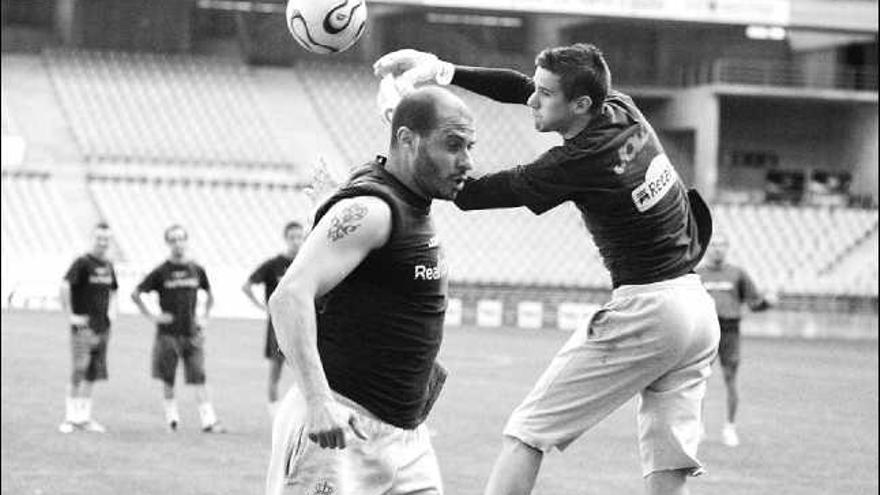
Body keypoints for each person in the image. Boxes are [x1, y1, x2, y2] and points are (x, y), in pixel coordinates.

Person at [374, 44, 718, 495]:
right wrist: (443, 71)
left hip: (651, 309)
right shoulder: (621, 106)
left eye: (545, 94)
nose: (532, 100)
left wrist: (413, 145)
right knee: (668, 464)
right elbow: (519, 86)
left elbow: (469, 192)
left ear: (580, 105)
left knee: (527, 432)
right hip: (697, 311)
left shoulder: (577, 162)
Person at [264, 86, 475, 495]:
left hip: (407, 439)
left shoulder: (403, 199)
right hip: (340, 430)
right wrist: (318, 401)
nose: (466, 161)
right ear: (407, 140)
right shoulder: (375, 211)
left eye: (469, 145)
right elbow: (288, 298)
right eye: (453, 145)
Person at [131, 224, 225, 433]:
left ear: (186, 241)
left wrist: (204, 318)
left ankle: (209, 420)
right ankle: (172, 419)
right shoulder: (161, 271)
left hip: (192, 333)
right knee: (168, 377)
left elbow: (210, 296)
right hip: (168, 335)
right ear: (168, 243)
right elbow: (136, 294)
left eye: (181, 239)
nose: (177, 243)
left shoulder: (196, 269)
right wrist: (154, 317)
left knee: (199, 375)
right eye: (173, 240)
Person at [696, 232, 772, 447]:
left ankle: (729, 427)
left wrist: (768, 303)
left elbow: (754, 303)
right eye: (713, 245)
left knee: (730, 379)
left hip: (730, 331)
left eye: (721, 245)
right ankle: (698, 427)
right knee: (698, 380)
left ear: (727, 248)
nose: (717, 249)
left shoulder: (737, 274)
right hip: (705, 332)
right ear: (707, 248)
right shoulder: (697, 274)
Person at [58, 222, 119, 434]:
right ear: (92, 239)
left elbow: (113, 291)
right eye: (99, 238)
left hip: (102, 327)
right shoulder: (82, 263)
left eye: (106, 239)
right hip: (83, 328)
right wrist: (70, 316)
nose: (102, 243)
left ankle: (84, 418)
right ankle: (69, 418)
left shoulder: (109, 265)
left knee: (93, 372)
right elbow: (65, 285)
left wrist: (113, 312)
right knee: (79, 369)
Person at [242, 220, 305, 419]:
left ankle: (304, 411)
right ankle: (274, 413)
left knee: (305, 369)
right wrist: (263, 307)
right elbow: (247, 285)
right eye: (292, 237)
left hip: (302, 324)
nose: (296, 241)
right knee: (275, 371)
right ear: (286, 239)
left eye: (299, 237)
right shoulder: (273, 265)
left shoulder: (306, 262)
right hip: (278, 326)